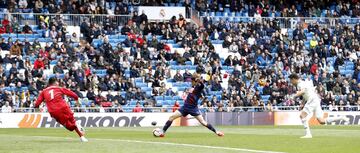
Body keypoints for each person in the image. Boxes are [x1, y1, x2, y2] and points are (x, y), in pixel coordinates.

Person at [288, 74, 349, 139]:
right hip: (315, 99)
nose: (291, 82)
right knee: (321, 121)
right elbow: (304, 95)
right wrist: (302, 104)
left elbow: (303, 92)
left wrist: (293, 96)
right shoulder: (302, 83)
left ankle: (308, 134)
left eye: (291, 80)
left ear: (293, 79)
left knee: (302, 116)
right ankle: (341, 117)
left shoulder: (300, 84)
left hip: (312, 100)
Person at [34, 77, 88, 142]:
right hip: (63, 107)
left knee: (70, 127)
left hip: (54, 112)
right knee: (72, 123)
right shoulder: (59, 88)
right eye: (57, 82)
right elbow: (71, 93)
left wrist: (37, 109)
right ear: (55, 82)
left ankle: (82, 137)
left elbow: (37, 103)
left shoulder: (44, 91)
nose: (58, 83)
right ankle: (78, 128)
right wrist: (76, 99)